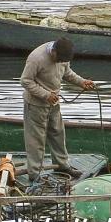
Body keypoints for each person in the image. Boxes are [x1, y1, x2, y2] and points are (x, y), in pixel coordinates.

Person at [20, 37, 96, 181]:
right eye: (59, 59)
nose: (61, 62)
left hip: (53, 103)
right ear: (53, 51)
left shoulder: (62, 56)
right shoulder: (36, 58)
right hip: (36, 105)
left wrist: (82, 82)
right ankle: (35, 174)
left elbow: (67, 73)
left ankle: (62, 165)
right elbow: (25, 81)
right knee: (36, 140)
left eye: (63, 60)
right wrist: (46, 95)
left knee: (58, 134)